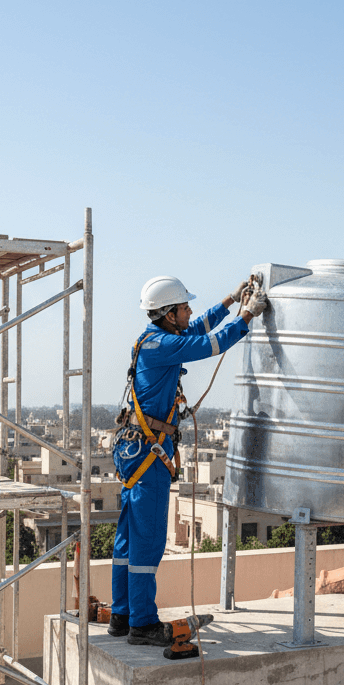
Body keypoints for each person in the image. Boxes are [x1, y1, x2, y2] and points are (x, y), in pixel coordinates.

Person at [109, 274, 268, 646]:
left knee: (128, 538)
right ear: (168, 313)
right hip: (150, 452)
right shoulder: (162, 345)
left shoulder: (153, 339)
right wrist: (246, 317)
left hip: (135, 449)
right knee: (146, 541)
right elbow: (211, 343)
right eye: (183, 307)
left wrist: (230, 300)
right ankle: (143, 624)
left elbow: (197, 327)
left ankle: (123, 614)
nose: (189, 312)